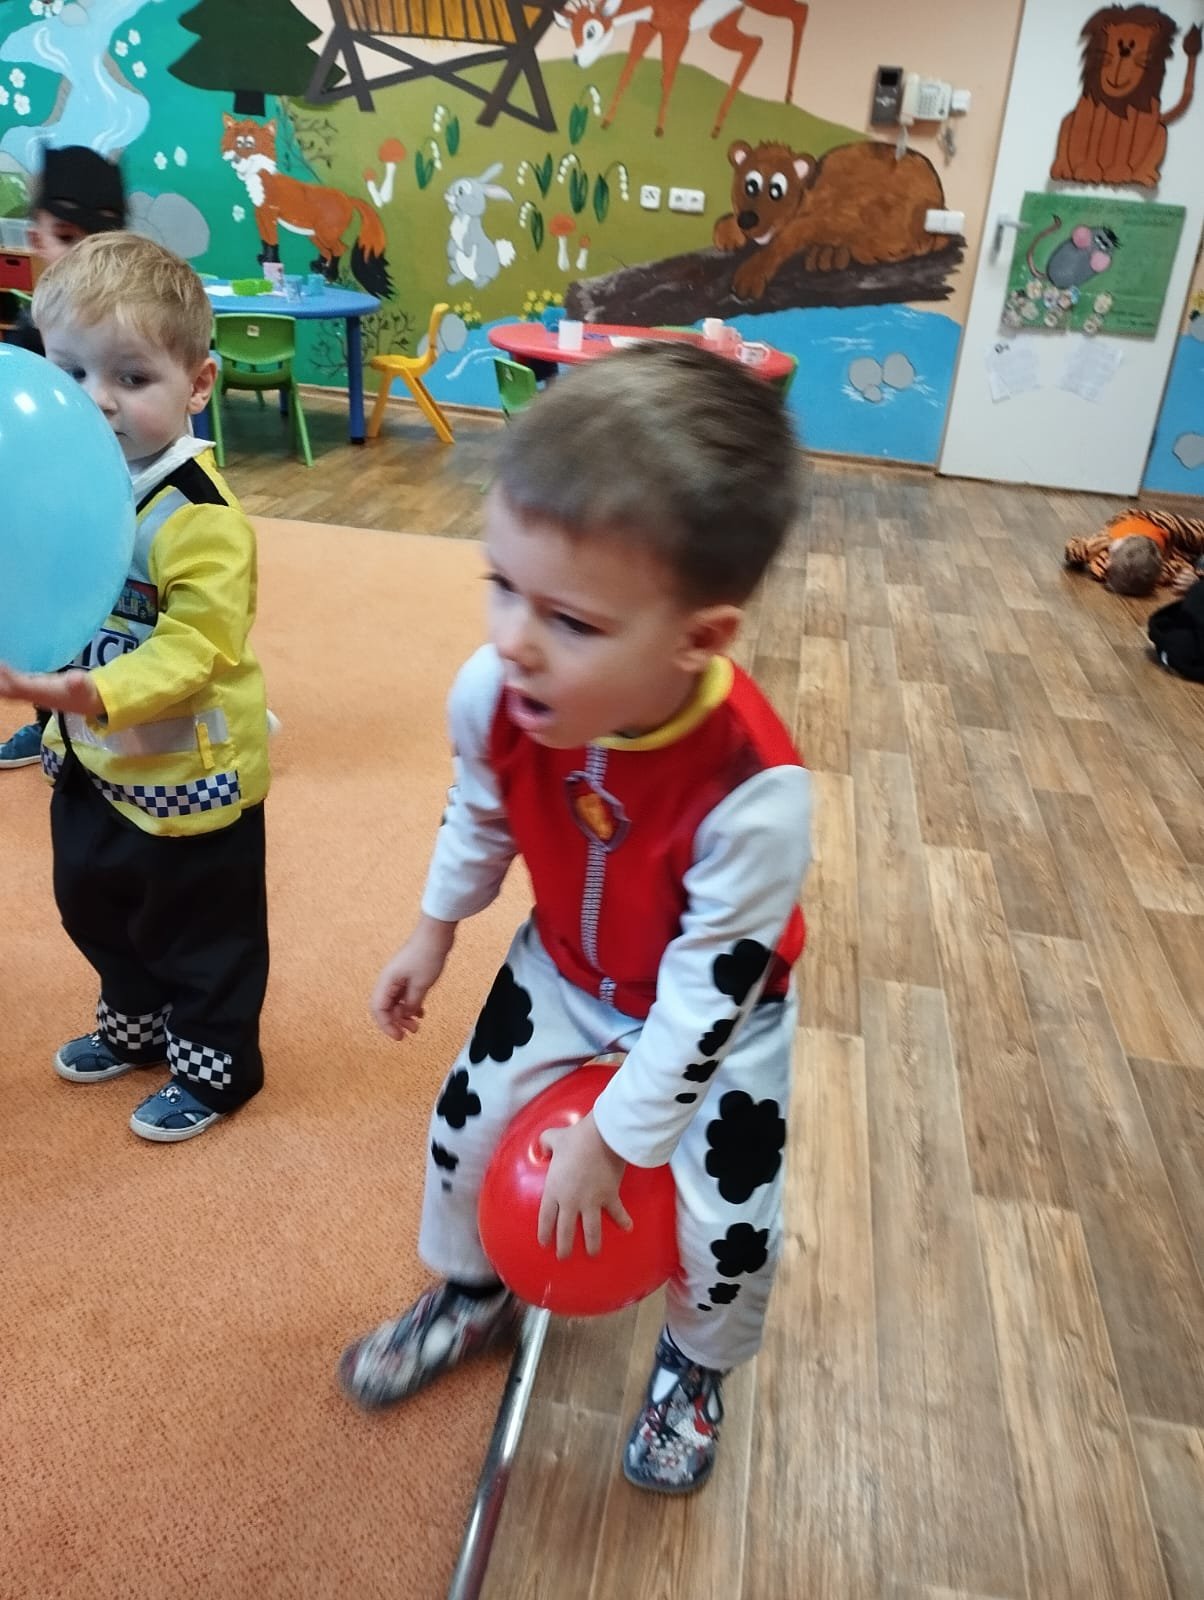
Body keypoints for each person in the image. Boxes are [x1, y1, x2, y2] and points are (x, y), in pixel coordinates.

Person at [338, 343, 812, 1495]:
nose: (513, 639)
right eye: (501, 585)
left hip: (718, 1023)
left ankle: (695, 1366)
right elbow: (481, 810)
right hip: (559, 970)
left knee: (727, 1220)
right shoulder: (496, 691)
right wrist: (434, 930)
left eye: (571, 619)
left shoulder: (753, 793)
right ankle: (472, 1294)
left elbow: (705, 999)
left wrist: (613, 1137)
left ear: (699, 638)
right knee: (465, 1128)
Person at [0, 233, 270, 1142]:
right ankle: (136, 1020)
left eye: (131, 376)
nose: (96, 400)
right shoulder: (56, 480)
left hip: (189, 780)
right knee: (92, 904)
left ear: (198, 384)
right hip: (90, 761)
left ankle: (216, 1063)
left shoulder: (198, 516)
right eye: (70, 370)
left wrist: (91, 691)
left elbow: (199, 647)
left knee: (201, 932)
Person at [1, 144, 127, 769]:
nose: (83, 258)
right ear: (36, 238)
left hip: (125, 502)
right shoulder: (28, 345)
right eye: (67, 238)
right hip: (51, 513)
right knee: (53, 611)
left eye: (100, 241)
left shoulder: (130, 329)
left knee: (134, 617)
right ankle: (48, 718)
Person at [1064, 507, 1204, 596]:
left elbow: (1075, 548)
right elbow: (1180, 570)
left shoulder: (1103, 550)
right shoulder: (1161, 569)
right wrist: (1195, 580)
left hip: (1165, 527)